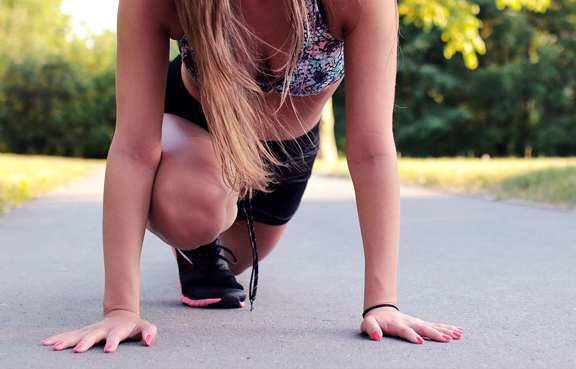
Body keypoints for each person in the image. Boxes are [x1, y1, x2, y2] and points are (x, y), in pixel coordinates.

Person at [42, 0, 463, 353]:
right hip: (197, 125)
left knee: (238, 260)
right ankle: (195, 235)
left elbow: (371, 152)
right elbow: (134, 150)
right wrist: (120, 308)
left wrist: (381, 304)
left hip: (286, 152)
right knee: (196, 215)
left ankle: (198, 250)